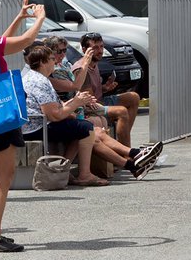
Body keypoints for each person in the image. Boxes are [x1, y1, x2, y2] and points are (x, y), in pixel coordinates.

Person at [0, 0, 46, 252]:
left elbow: (2, 42)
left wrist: (19, 18)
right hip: (1, 114)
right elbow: (24, 43)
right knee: (4, 177)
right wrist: (39, 20)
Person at [21, 44, 156, 184]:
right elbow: (54, 115)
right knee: (85, 128)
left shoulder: (37, 78)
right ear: (43, 62)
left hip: (37, 124)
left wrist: (76, 103)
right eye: (51, 58)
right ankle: (86, 174)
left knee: (91, 129)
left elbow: (54, 108)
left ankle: (133, 160)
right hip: (36, 128)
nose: (54, 61)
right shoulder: (40, 81)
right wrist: (76, 103)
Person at [72, 32, 140, 146]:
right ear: (84, 50)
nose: (100, 51)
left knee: (133, 97)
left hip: (99, 100)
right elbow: (90, 101)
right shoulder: (81, 69)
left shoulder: (94, 63)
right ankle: (127, 152)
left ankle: (123, 142)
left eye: (101, 46)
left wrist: (104, 88)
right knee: (121, 111)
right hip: (90, 107)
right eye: (95, 48)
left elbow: (93, 91)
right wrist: (111, 110)